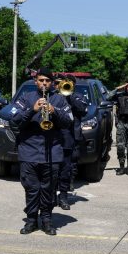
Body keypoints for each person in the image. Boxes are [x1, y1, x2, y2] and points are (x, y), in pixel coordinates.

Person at [10, 67, 72, 236]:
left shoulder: (59, 100)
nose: (44, 83)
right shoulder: (26, 98)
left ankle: (46, 220)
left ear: (52, 83)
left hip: (52, 152)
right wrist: (33, 110)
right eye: (41, 80)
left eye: (47, 81)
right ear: (35, 81)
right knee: (31, 188)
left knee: (48, 189)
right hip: (29, 151)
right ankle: (31, 221)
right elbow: (14, 120)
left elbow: (68, 121)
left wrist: (55, 111)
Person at [56, 74, 88, 210]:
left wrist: (69, 95)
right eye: (64, 83)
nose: (66, 85)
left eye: (69, 83)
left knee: (66, 168)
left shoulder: (78, 96)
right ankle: (51, 196)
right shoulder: (55, 96)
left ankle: (63, 196)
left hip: (70, 136)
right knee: (52, 168)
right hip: (55, 136)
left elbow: (83, 110)